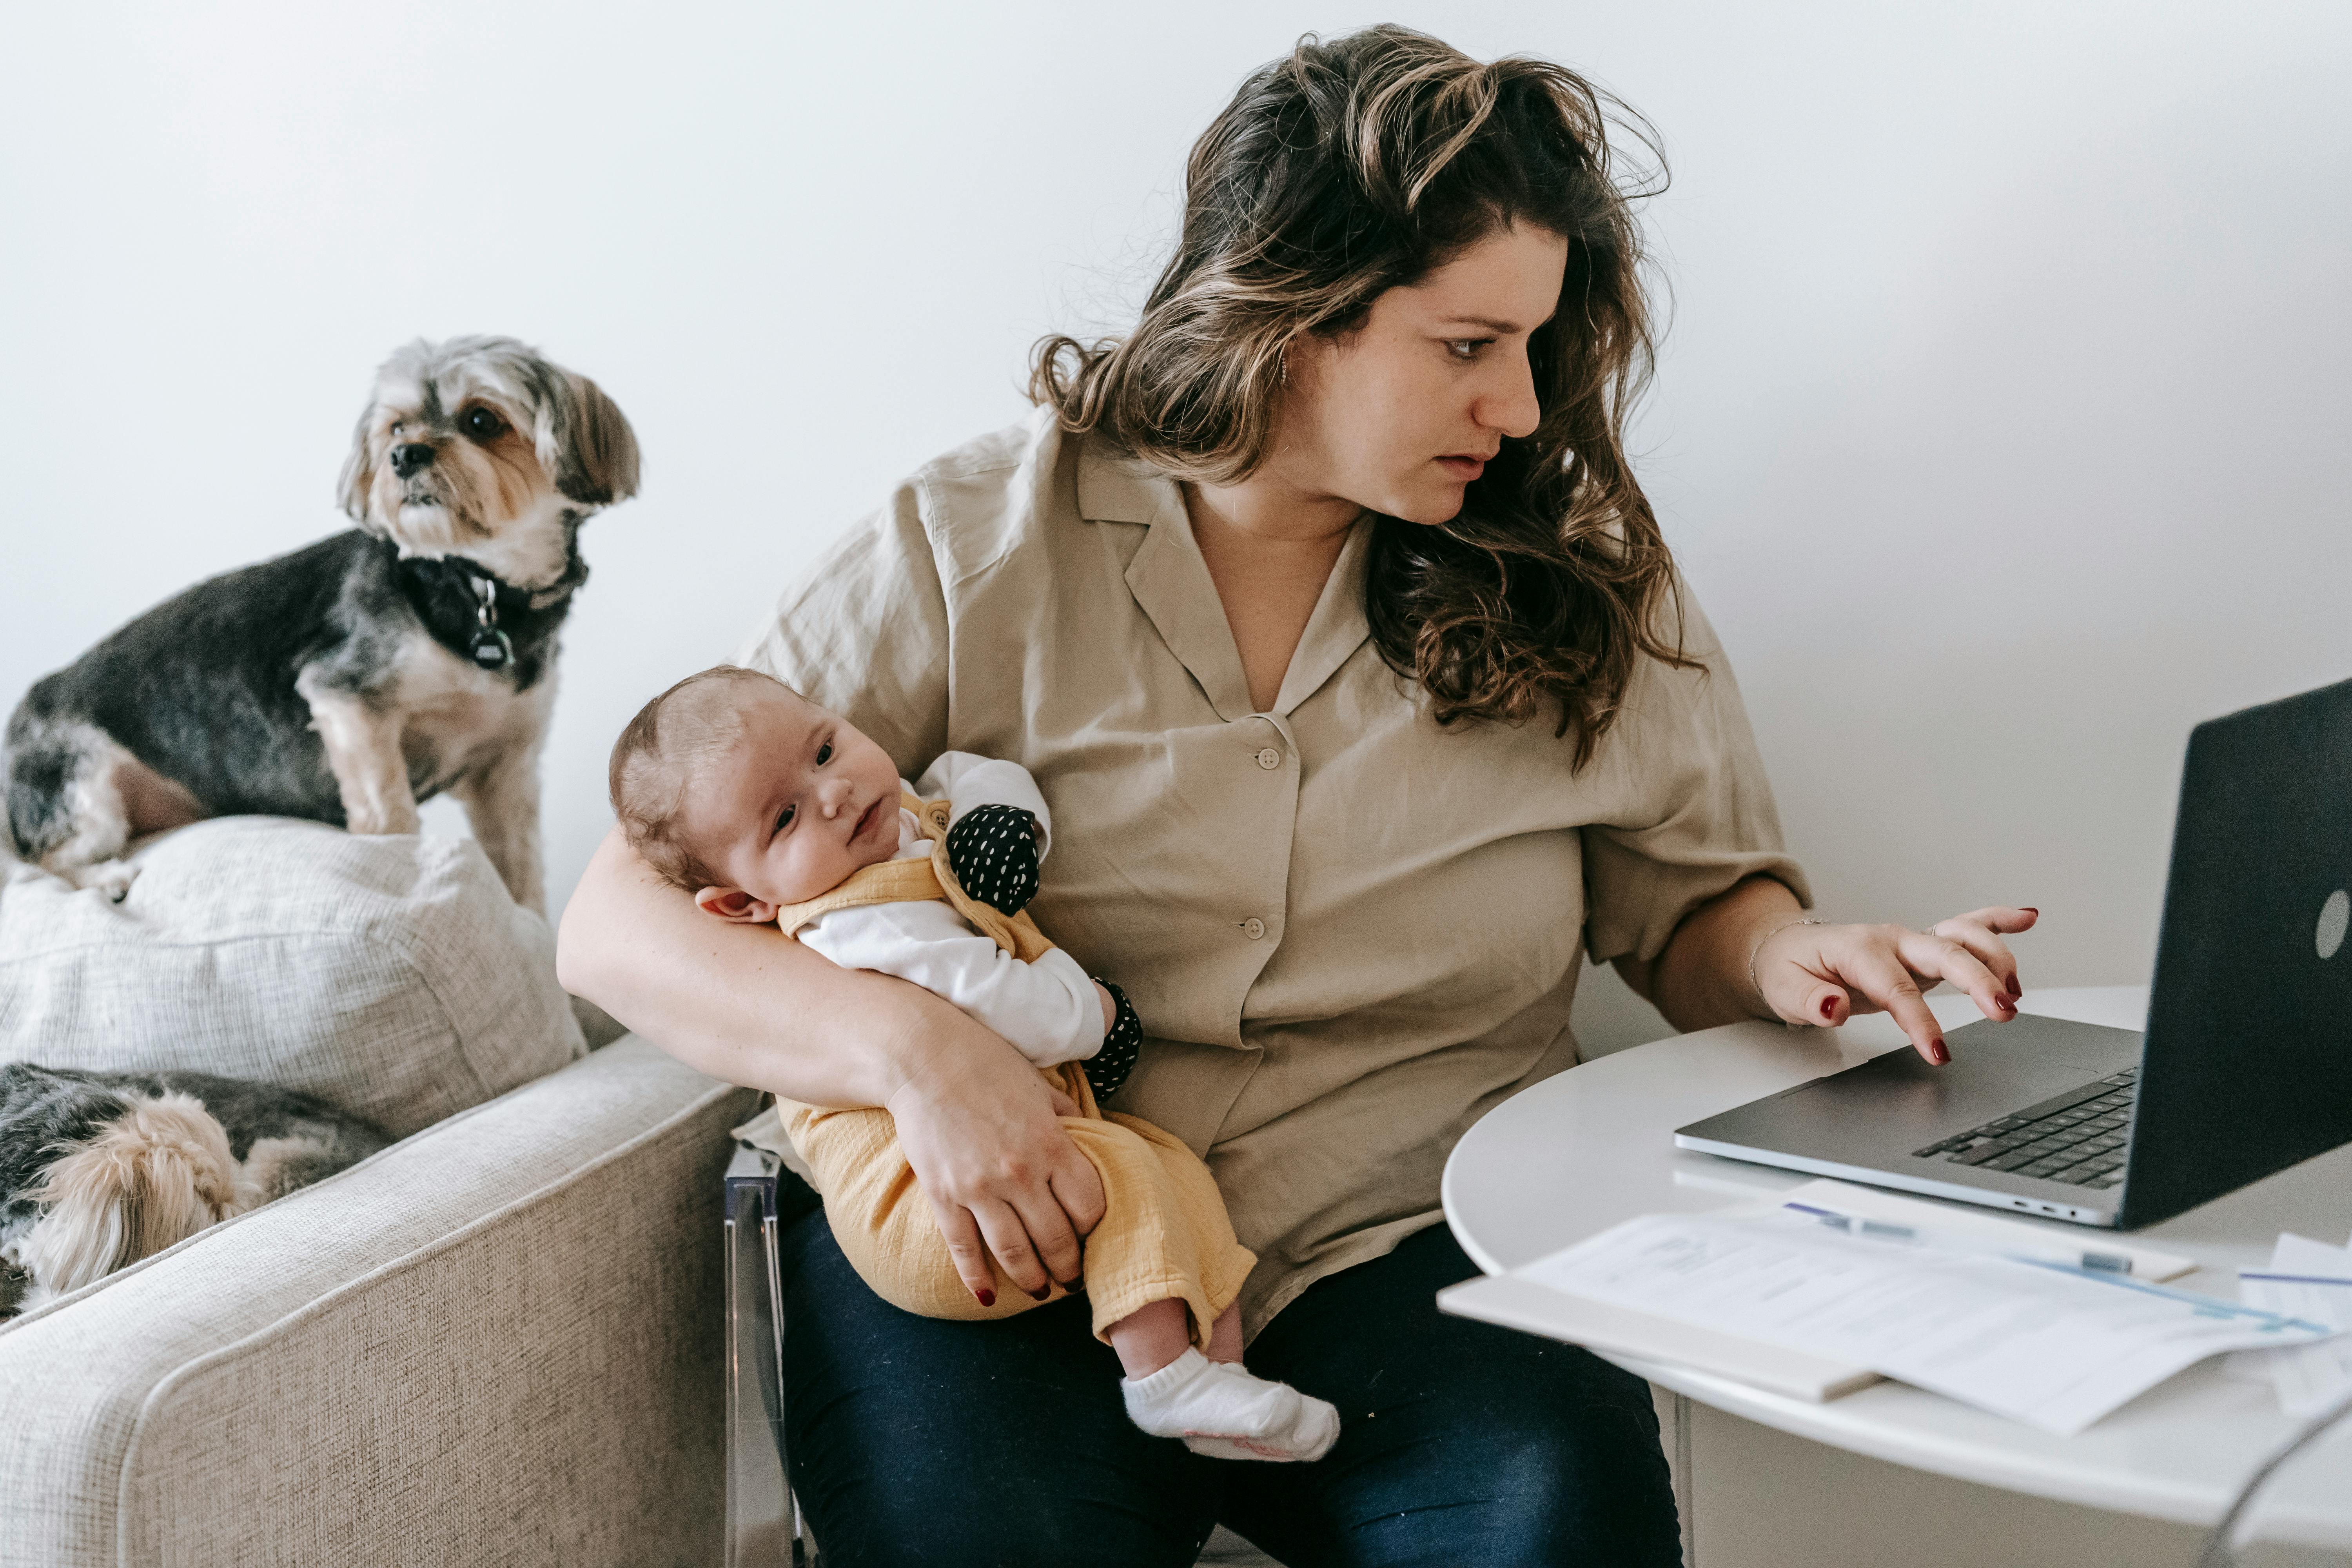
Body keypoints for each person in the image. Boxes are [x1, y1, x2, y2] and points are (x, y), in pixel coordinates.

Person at [559, 24, 2034, 1566]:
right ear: (1287, 310)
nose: (1523, 408)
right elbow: (615, 925)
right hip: (1012, 1232)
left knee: (1558, 1525)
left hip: (1411, 1236)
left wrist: (1787, 957)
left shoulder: (1575, 558)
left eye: (1534, 346)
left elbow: (1691, 906)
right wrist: (919, 1048)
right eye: (1468, 347)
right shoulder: (972, 540)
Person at [604, 664, 1340, 1461]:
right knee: (1126, 1171)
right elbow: (1007, 1004)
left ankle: (1218, 1380)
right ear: (744, 904)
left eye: (825, 749)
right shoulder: (855, 924)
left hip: (1009, 1151)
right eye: (784, 816)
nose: (836, 794)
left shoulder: (901, 820)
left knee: (1176, 1171)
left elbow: (968, 772)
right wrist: (1094, 1013)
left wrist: (1003, 820)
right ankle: (1160, 1376)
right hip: (924, 1209)